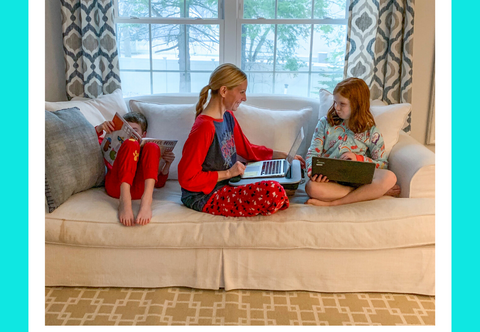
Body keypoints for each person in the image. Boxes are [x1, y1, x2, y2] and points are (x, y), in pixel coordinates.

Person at [178, 64, 305, 218]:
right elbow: (187, 178)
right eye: (242, 92)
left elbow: (247, 149)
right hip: (204, 196)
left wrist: (284, 156)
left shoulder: (228, 117)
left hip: (230, 183)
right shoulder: (204, 127)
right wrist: (228, 173)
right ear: (224, 91)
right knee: (273, 190)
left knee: (280, 182)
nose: (244, 98)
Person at [305, 77, 398, 207]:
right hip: (331, 182)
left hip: (359, 179)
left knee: (390, 177)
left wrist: (358, 159)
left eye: (342, 104)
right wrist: (313, 172)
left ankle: (336, 202)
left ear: (357, 105)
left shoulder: (371, 131)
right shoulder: (325, 123)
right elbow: (312, 153)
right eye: (335, 102)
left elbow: (382, 164)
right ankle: (369, 193)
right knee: (311, 188)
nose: (336, 107)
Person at [96, 112, 175, 226]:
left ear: (144, 134)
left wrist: (167, 164)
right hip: (116, 187)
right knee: (130, 143)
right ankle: (125, 201)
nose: (132, 133)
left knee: (152, 146)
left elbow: (159, 183)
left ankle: (147, 201)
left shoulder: (147, 150)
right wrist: (100, 128)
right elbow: (90, 140)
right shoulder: (113, 142)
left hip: (141, 190)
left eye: (135, 130)